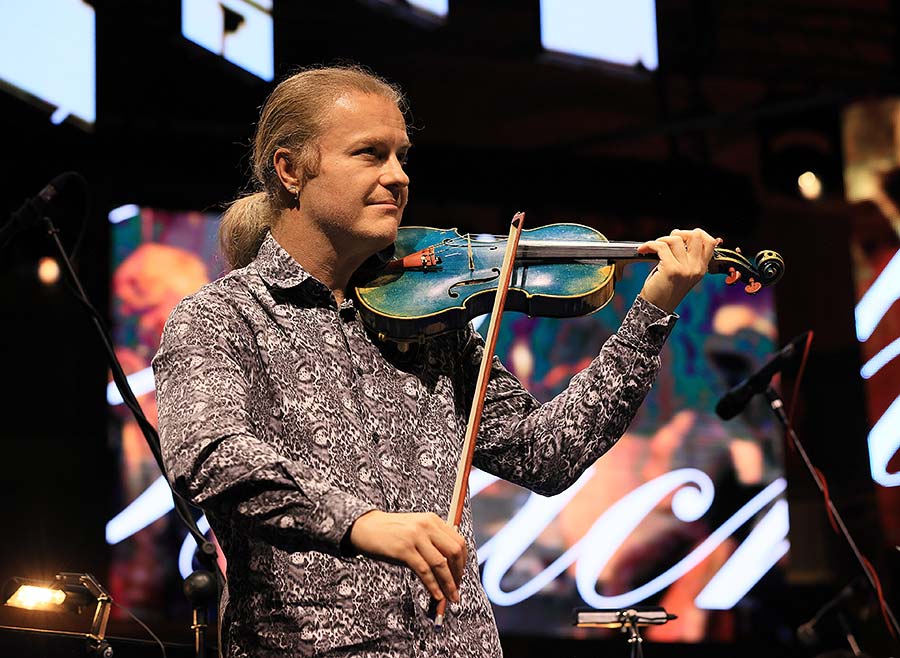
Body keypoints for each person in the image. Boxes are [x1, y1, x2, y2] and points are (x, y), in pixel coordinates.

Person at [152, 64, 720, 657]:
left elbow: (544, 456)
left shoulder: (429, 327)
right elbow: (211, 457)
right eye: (370, 154)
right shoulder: (222, 317)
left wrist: (651, 313)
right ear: (291, 169)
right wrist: (362, 523)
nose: (398, 177)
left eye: (402, 156)